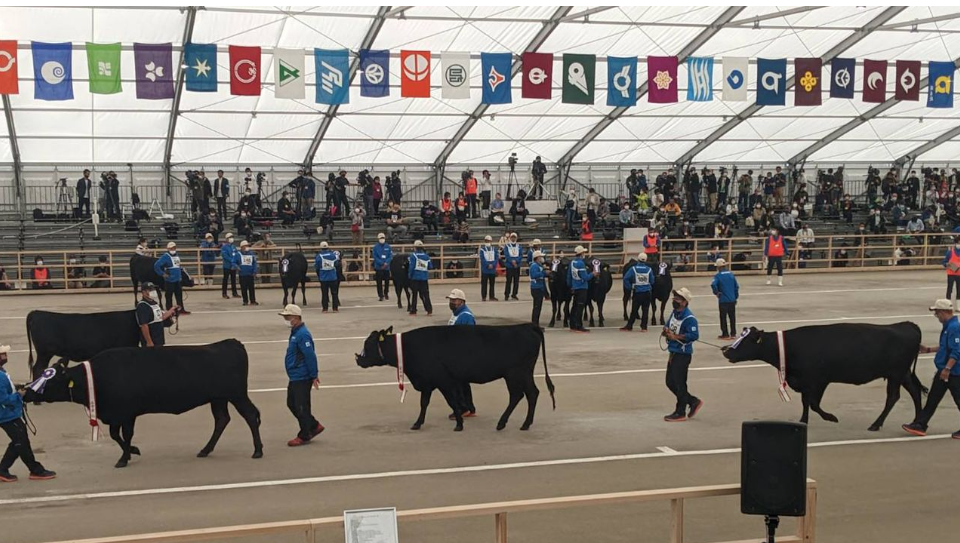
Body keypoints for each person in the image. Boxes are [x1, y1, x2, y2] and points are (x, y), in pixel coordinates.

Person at [902, 299, 960, 439]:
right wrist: (928, 349)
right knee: (933, 399)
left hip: (953, 373)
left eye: (937, 313)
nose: (936, 316)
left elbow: (957, 351)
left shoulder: (954, 328)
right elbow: (945, 347)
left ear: (944, 312)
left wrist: (947, 369)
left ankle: (920, 424)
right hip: (944, 372)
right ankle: (920, 424)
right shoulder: (948, 326)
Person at [0, 344, 57, 482]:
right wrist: (19, 395)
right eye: (3, 354)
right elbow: (3, 399)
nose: (5, 356)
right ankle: (35, 470)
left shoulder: (2, 372)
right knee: (21, 441)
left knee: (19, 441)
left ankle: (3, 469)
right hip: (6, 415)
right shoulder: (0, 377)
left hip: (8, 414)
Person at [278, 304, 324, 447]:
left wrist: (314, 374)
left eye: (287, 317)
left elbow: (310, 355)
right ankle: (313, 425)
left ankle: (304, 434)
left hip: (302, 376)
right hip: (295, 375)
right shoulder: (295, 332)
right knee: (292, 403)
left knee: (301, 406)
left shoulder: (302, 334)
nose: (285, 319)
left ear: (296, 317)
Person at [662, 287, 704, 422]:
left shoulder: (689, 318)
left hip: (683, 354)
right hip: (673, 352)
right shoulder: (674, 313)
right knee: (670, 382)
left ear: (685, 302)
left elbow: (694, 335)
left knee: (680, 383)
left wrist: (676, 336)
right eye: (674, 298)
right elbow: (668, 325)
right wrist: (666, 331)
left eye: (678, 299)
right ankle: (692, 401)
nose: (674, 301)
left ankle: (680, 412)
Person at [445, 289, 477, 419]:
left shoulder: (466, 316)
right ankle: (468, 407)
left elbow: (468, 337)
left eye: (454, 300)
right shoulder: (457, 314)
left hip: (461, 355)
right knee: (460, 383)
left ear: (462, 301)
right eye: (451, 300)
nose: (452, 302)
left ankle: (463, 408)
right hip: (455, 353)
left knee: (458, 383)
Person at [621, 253, 655, 332]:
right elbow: (652, 281)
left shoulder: (633, 269)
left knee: (634, 310)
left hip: (638, 292)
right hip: (647, 292)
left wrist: (629, 287)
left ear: (638, 259)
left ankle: (629, 326)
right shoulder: (649, 269)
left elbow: (625, 278)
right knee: (645, 310)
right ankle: (644, 327)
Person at [136, 282, 177, 347]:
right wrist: (149, 341)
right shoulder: (142, 306)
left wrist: (171, 310)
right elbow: (144, 325)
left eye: (153, 289)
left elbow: (160, 317)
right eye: (150, 290)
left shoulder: (154, 303)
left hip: (159, 339)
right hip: (152, 340)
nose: (153, 291)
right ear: (143, 292)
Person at [154, 242, 190, 314]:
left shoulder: (176, 255)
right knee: (169, 296)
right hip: (170, 280)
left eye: (174, 248)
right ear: (168, 249)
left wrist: (180, 276)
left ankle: (181, 309)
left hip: (177, 279)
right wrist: (162, 274)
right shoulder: (165, 256)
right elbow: (156, 265)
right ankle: (170, 311)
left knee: (179, 295)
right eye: (171, 248)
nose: (173, 249)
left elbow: (178, 267)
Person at [711, 258, 739, 340]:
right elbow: (736, 287)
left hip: (723, 300)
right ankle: (733, 333)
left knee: (723, 317)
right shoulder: (731, 274)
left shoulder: (718, 276)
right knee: (732, 317)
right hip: (732, 300)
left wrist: (716, 292)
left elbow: (713, 285)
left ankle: (725, 333)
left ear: (718, 267)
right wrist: (735, 297)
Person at [568, 246, 594, 333]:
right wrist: (592, 274)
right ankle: (579, 325)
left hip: (575, 286)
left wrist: (571, 286)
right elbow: (585, 277)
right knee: (580, 306)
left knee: (574, 306)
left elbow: (569, 276)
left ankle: (572, 324)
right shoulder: (581, 263)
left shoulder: (572, 262)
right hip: (582, 287)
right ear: (581, 254)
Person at [408, 240, 433, 316]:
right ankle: (429, 310)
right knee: (426, 295)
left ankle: (413, 310)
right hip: (424, 278)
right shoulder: (426, 256)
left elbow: (411, 267)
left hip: (415, 278)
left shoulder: (413, 256)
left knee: (414, 295)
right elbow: (430, 266)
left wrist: (409, 275)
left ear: (415, 247)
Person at [314, 241, 341, 312]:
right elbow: (337, 264)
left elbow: (317, 266)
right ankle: (335, 308)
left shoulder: (319, 256)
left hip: (323, 277)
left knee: (324, 293)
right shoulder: (333, 255)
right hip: (333, 276)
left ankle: (325, 308)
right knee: (334, 293)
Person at [529, 250, 549, 325]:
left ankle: (536, 323)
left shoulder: (539, 265)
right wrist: (543, 272)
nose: (542, 258)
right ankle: (534, 324)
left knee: (538, 307)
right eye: (541, 257)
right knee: (537, 307)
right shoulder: (534, 266)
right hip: (536, 288)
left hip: (539, 287)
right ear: (537, 258)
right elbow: (534, 275)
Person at [238, 240, 259, 306]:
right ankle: (245, 301)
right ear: (242, 247)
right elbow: (233, 262)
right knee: (243, 288)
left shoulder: (251, 254)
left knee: (251, 288)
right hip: (242, 274)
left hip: (250, 274)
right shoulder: (238, 254)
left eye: (247, 246)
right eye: (245, 246)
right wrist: (236, 266)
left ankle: (253, 300)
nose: (247, 247)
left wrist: (254, 271)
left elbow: (254, 263)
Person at [372, 233, 393, 302]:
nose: (382, 239)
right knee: (379, 282)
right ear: (378, 239)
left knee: (387, 281)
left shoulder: (388, 246)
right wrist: (381, 263)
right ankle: (380, 295)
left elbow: (390, 256)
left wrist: (386, 263)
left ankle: (386, 293)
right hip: (379, 267)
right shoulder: (375, 247)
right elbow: (375, 257)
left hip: (386, 267)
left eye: (383, 238)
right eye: (381, 238)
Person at [502, 233, 523, 301]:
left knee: (516, 281)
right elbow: (506, 255)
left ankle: (514, 294)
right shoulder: (507, 246)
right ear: (510, 238)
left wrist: (516, 261)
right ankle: (507, 294)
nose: (513, 239)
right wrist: (512, 261)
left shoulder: (519, 246)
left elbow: (520, 255)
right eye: (512, 237)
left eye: (514, 237)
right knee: (508, 281)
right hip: (509, 266)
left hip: (517, 266)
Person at [478, 235, 499, 301]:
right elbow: (482, 259)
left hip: (492, 269)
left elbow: (496, 258)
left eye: (489, 241)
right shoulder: (482, 250)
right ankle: (484, 296)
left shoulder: (494, 249)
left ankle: (492, 296)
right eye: (486, 241)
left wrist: (493, 265)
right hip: (485, 269)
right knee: (484, 284)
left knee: (492, 284)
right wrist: (487, 265)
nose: (488, 242)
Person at [220, 233, 240, 299]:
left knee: (233, 280)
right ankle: (224, 293)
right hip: (227, 265)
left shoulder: (233, 246)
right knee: (225, 279)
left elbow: (236, 254)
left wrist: (236, 262)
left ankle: (234, 293)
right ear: (227, 239)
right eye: (230, 237)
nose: (231, 238)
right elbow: (225, 256)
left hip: (233, 266)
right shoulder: (224, 247)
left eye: (232, 237)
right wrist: (232, 261)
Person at [942, 237, 960, 311]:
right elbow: (944, 262)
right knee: (950, 289)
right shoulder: (950, 252)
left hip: (959, 274)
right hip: (951, 273)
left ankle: (958, 306)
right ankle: (948, 305)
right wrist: (953, 267)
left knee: (959, 290)